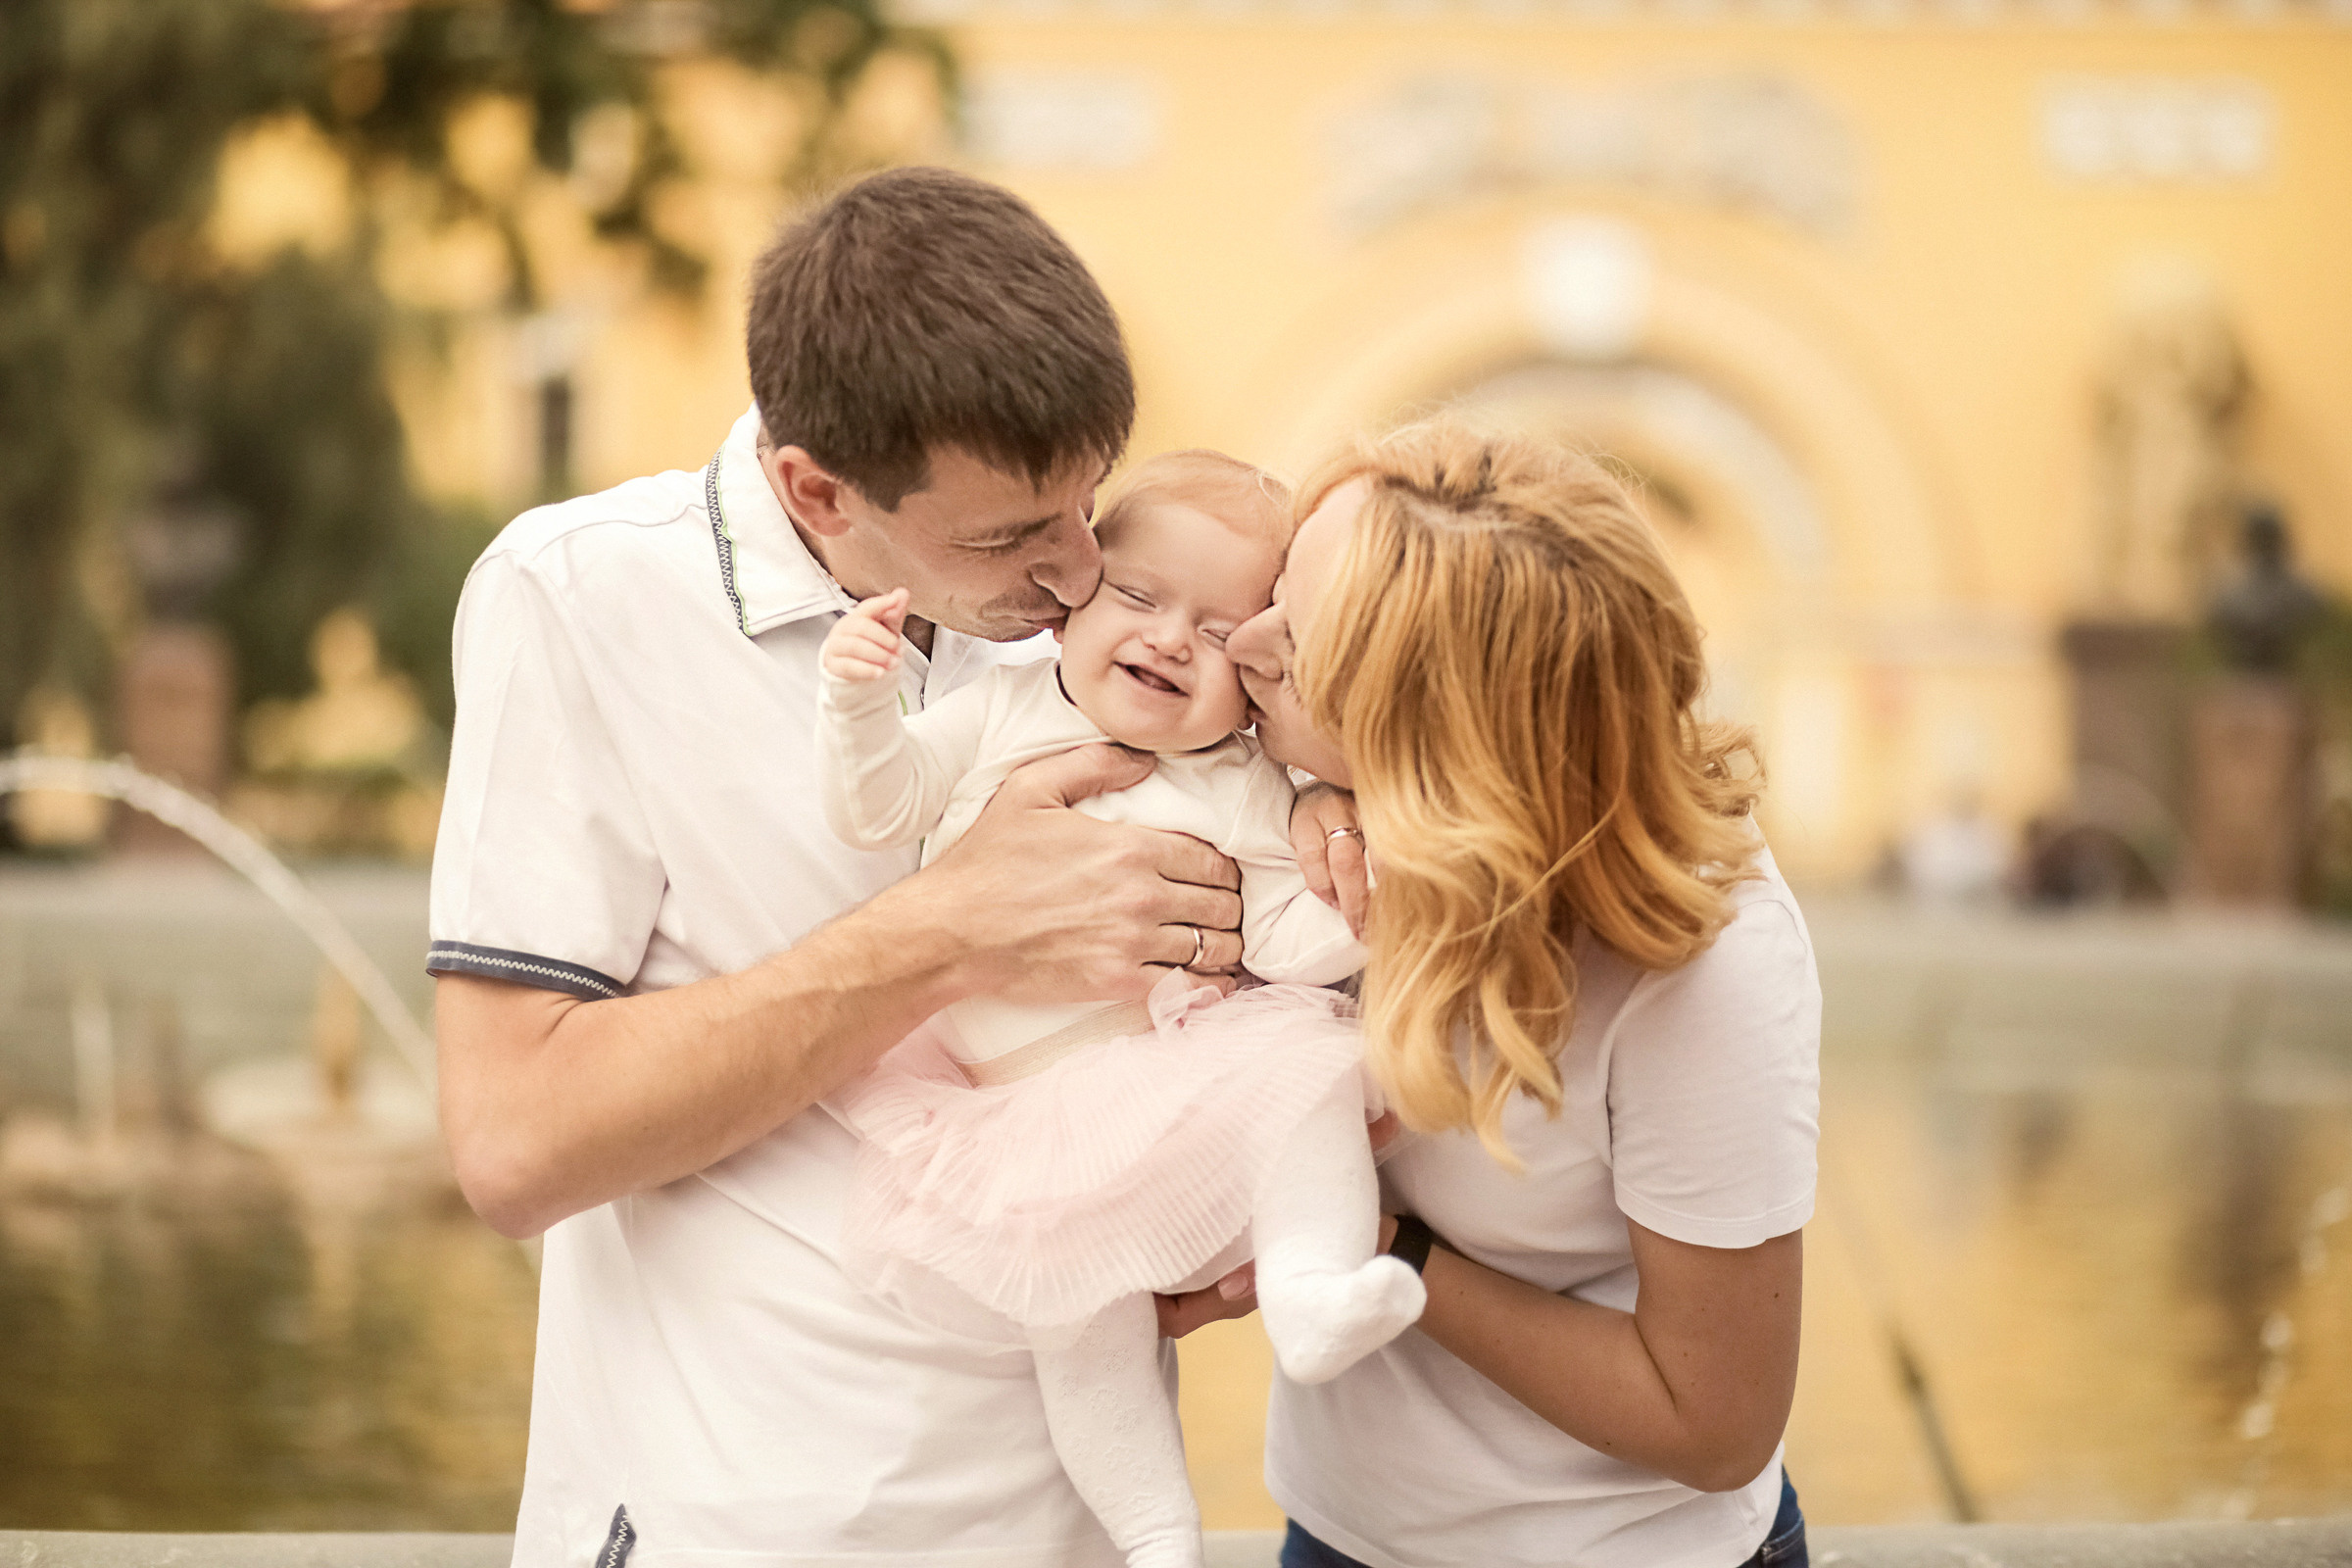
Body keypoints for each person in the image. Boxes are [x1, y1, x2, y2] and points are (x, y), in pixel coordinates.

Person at [427, 168, 1252, 1568]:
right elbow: (513, 1146)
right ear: (817, 489)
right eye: (1006, 536)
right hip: (737, 1531)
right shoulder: (576, 597)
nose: (1074, 579)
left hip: (1079, 1529)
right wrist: (943, 932)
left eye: (1087, 506)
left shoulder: (1113, 614)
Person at [1206, 422, 1822, 1568]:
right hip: (1340, 1533)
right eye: (1274, 596)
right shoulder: (1310, 805)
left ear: (1432, 745)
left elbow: (1718, 1419)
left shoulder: (1700, 958)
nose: (1239, 644)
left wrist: (1388, 1251)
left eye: (1296, 652)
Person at [814, 450, 1423, 1568]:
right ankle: (1152, 1532)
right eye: (1140, 597)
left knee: (1309, 1100)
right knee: (1078, 1323)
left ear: (1256, 675)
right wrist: (859, 702)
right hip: (1020, 1105)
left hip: (1185, 1063)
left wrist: (1372, 907)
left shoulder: (1246, 783)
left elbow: (1282, 941)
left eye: (1216, 627)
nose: (1168, 637)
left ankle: (1312, 1292)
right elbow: (877, 806)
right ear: (1067, 607)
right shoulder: (986, 712)